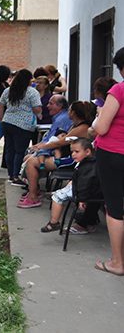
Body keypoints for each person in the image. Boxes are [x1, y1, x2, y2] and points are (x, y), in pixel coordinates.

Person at [19, 101, 96, 208]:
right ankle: (35, 190)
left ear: (73, 113)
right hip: (67, 155)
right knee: (30, 158)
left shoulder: (82, 128)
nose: (67, 112)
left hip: (72, 160)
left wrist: (41, 146)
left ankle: (33, 197)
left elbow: (61, 142)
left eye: (69, 110)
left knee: (31, 162)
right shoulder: (76, 125)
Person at [92, 47, 124, 276]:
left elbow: (101, 127)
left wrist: (95, 123)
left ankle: (117, 262)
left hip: (113, 154)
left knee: (115, 207)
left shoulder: (118, 90)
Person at [40, 138, 102, 234]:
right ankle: (59, 192)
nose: (73, 154)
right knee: (63, 190)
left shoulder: (87, 167)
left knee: (57, 198)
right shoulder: (87, 163)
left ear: (88, 152)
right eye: (72, 152)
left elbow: (85, 185)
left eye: (76, 152)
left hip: (84, 193)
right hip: (83, 190)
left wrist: (82, 199)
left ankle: (54, 222)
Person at [0, 69, 42, 187]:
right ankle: (16, 176)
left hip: (7, 122)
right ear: (28, 80)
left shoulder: (8, 90)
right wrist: (38, 113)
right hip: (23, 125)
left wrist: (1, 119)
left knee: (9, 149)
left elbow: (1, 104)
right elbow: (37, 109)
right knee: (20, 151)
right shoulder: (32, 92)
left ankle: (11, 175)